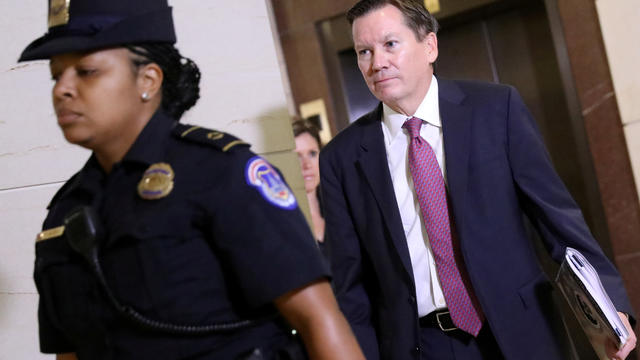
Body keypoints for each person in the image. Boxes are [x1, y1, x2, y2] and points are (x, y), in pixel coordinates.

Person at [20, 1, 365, 359]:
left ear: (148, 80)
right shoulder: (66, 212)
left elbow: (318, 318)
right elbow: (71, 352)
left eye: (86, 71)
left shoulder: (219, 173)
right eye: (56, 75)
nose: (63, 89)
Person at [319, 0, 637, 359]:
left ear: (430, 46)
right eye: (364, 51)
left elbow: (558, 221)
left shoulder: (495, 109)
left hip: (521, 333)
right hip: (420, 346)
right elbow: (350, 286)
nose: (377, 63)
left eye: (390, 44)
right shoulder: (341, 159)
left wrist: (610, 309)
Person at [293, 119, 326, 254]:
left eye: (312, 154)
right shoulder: (283, 218)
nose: (307, 165)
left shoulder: (339, 204)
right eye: (297, 156)